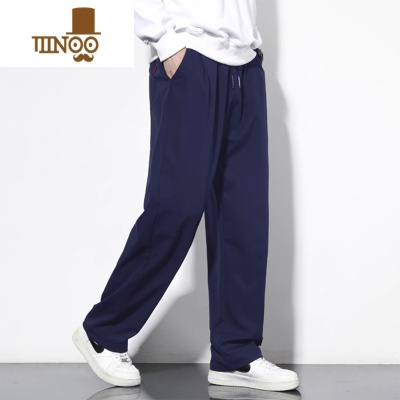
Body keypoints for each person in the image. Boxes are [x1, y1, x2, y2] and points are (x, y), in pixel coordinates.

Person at [72, 0, 300, 392]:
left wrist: (248, 49)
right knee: (174, 209)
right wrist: (166, 40)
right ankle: (103, 332)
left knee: (243, 218)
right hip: (190, 57)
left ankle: (235, 352)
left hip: (245, 65)